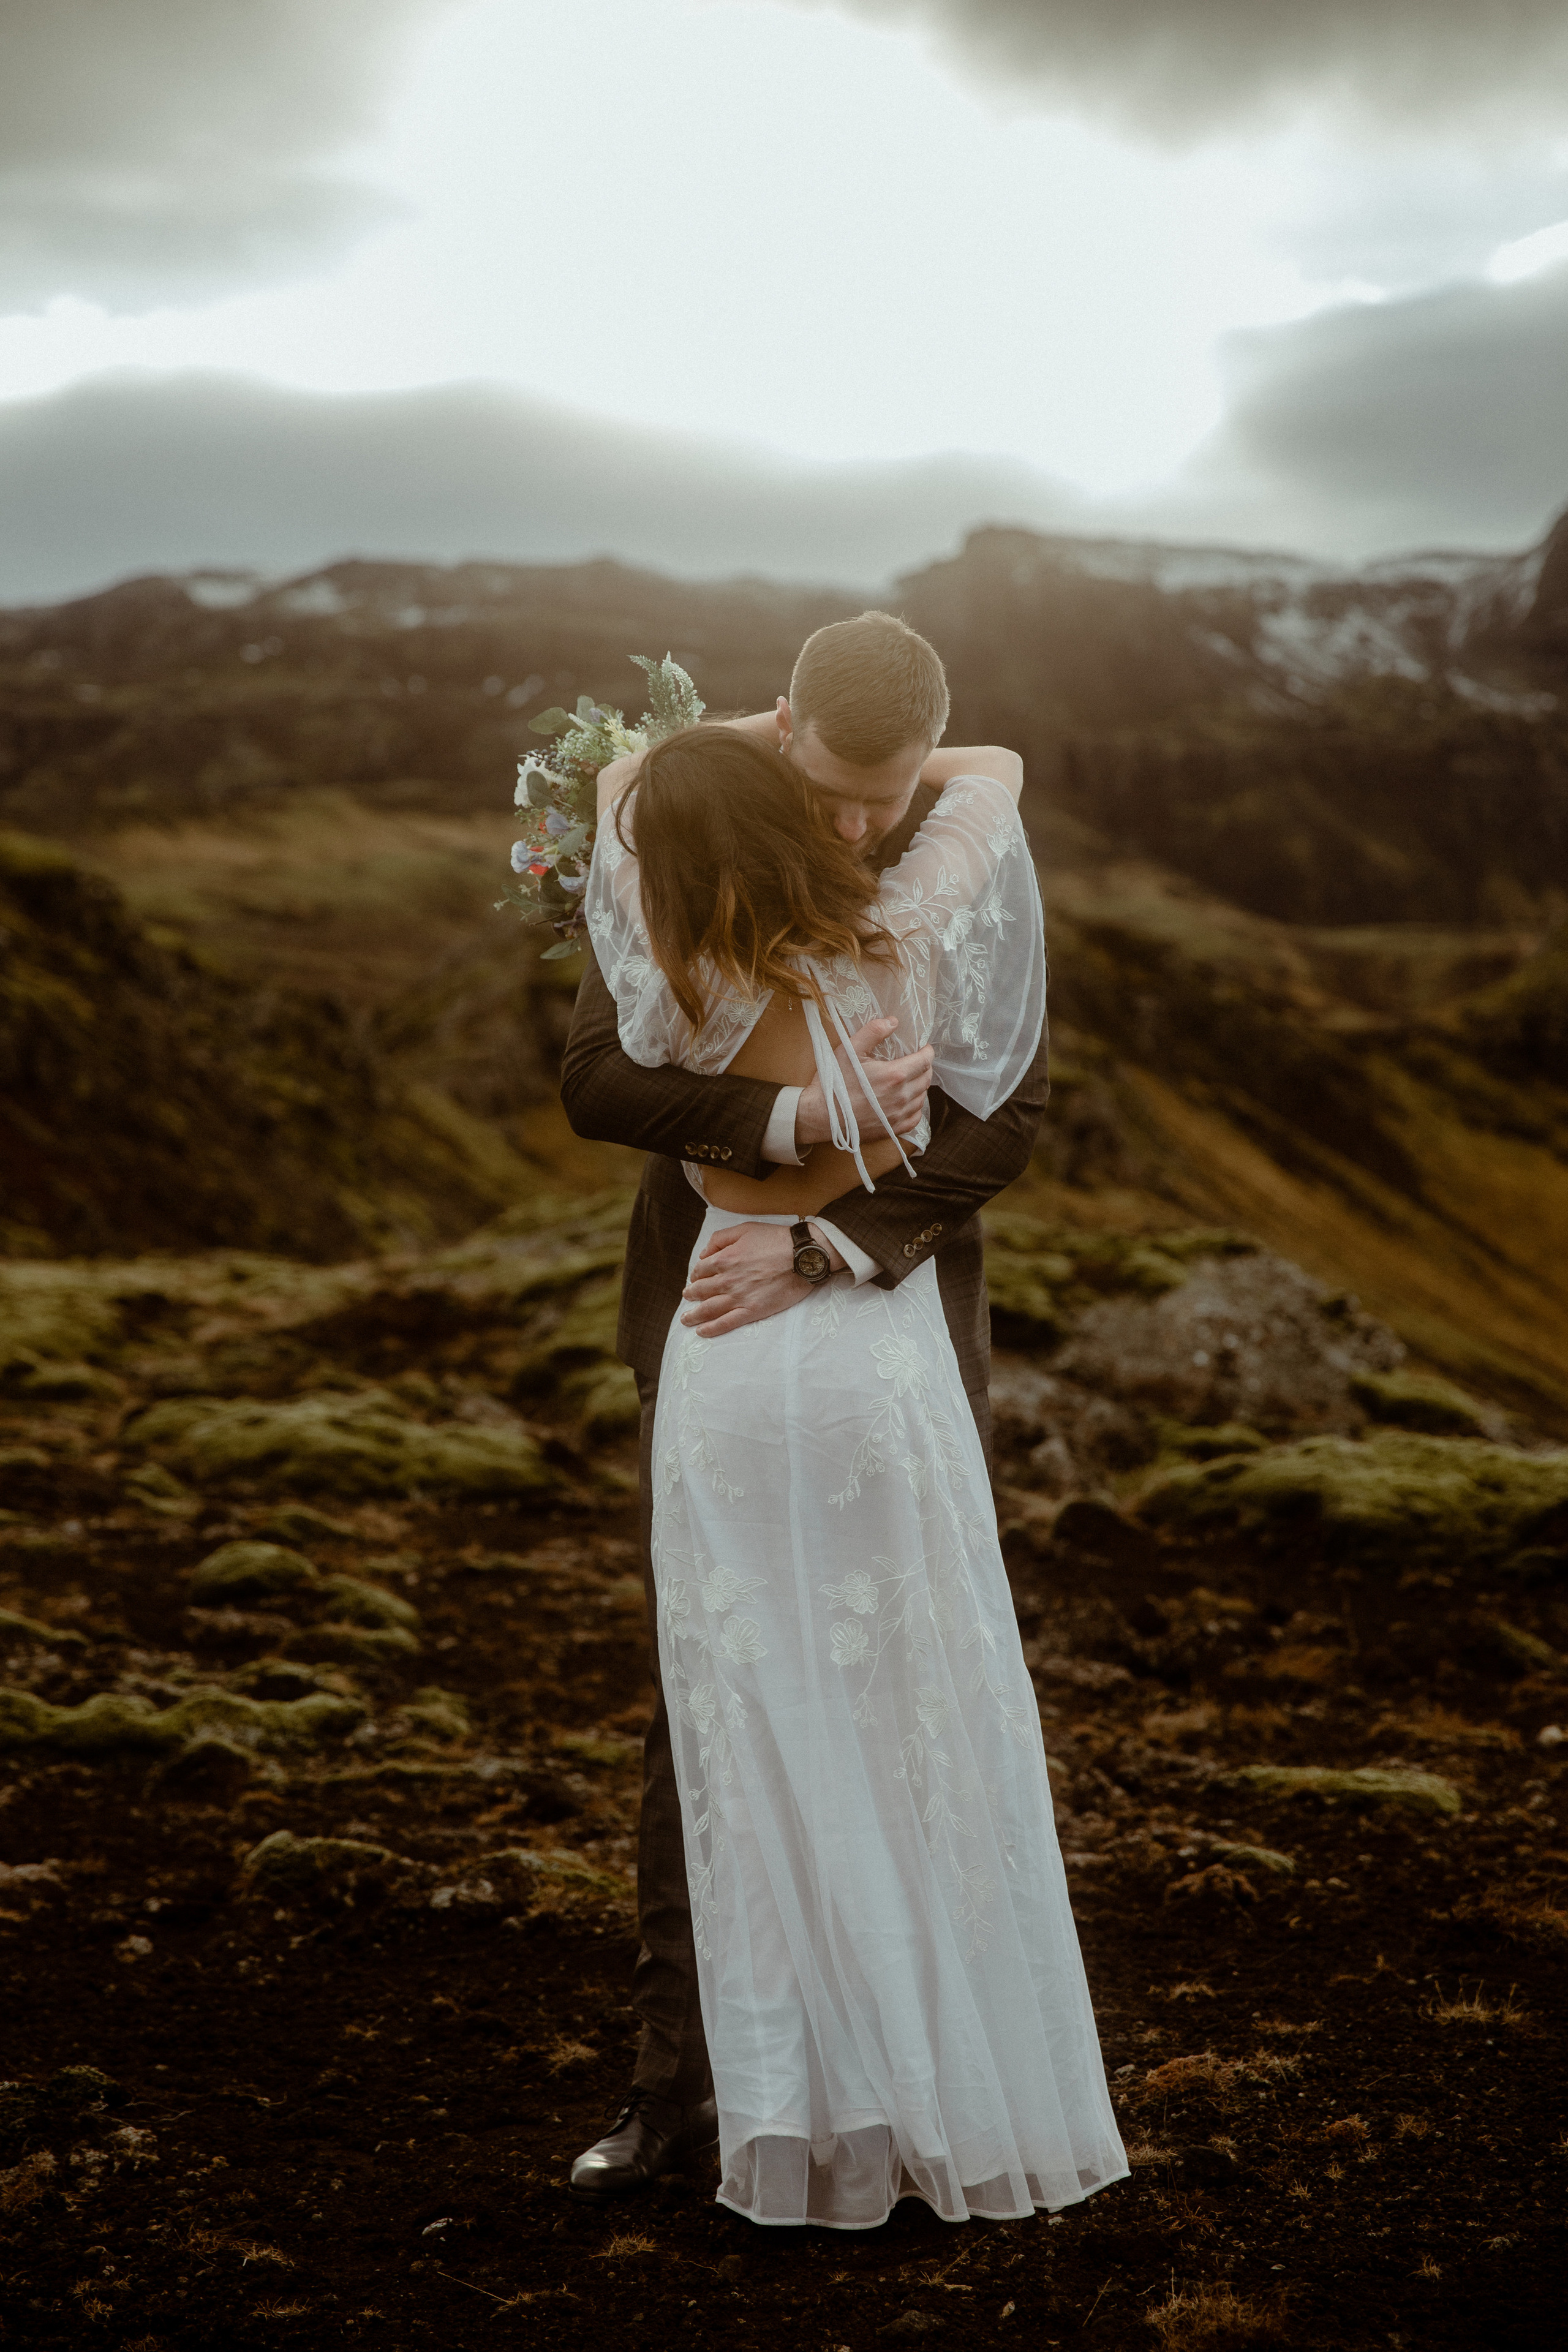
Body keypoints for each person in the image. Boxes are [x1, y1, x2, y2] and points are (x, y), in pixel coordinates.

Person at [560, 615, 1125, 2222]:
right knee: (712, 1712)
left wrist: (838, 1237)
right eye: (845, 790)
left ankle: (901, 2084)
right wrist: (797, 1116)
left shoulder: (711, 829)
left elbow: (1003, 1122)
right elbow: (596, 1084)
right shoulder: (707, 859)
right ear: (785, 728)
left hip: (887, 1307)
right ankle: (689, 2099)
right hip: (710, 1313)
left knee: (900, 1700)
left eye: (896, 799)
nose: (873, 829)